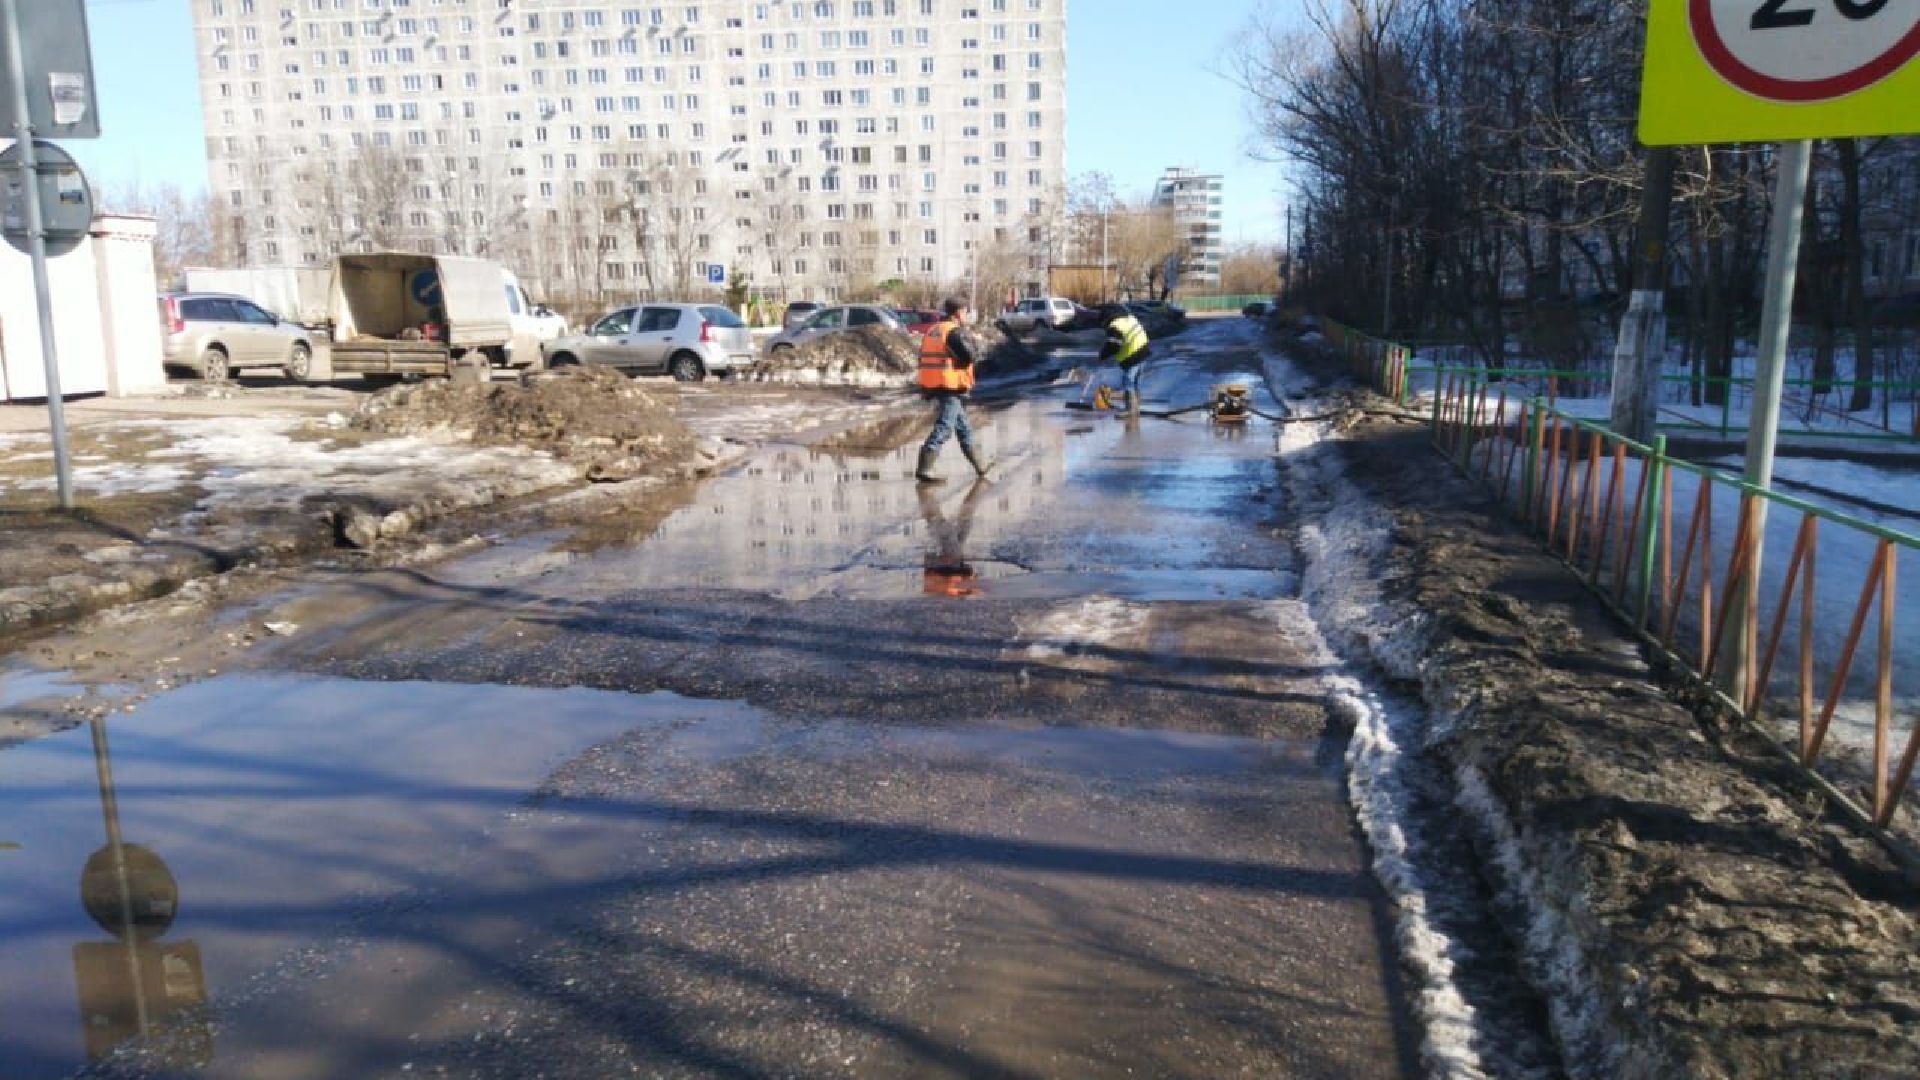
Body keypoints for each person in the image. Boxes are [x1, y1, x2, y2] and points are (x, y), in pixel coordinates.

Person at [915, 297, 993, 483]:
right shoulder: (954, 332)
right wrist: (976, 343)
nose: (967, 316)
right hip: (949, 384)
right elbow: (970, 356)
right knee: (945, 425)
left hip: (934, 382)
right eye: (966, 312)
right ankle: (925, 467)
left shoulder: (934, 330)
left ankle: (980, 464)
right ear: (958, 312)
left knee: (963, 426)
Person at [1101, 304, 1152, 414]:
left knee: (1128, 382)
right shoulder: (1130, 319)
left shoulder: (1115, 326)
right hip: (1144, 352)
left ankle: (1130, 410)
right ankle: (1136, 406)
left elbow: (1113, 345)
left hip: (1133, 356)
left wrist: (1102, 355)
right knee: (1136, 382)